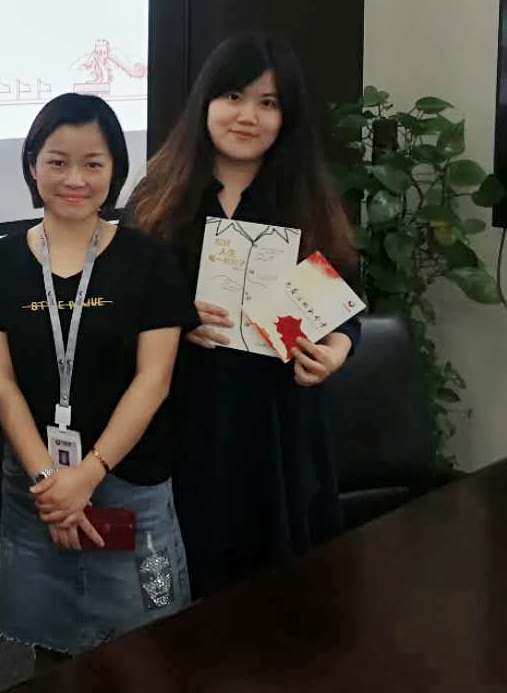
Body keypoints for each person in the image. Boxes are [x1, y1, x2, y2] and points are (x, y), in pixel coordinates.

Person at [124, 32, 363, 598]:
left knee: (280, 593)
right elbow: (125, 303)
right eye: (233, 96)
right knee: (178, 589)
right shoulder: (158, 197)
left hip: (278, 420)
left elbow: (343, 305)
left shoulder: (305, 199)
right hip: (184, 413)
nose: (247, 116)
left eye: (268, 102)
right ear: (205, 102)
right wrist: (176, 317)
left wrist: (335, 351)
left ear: (287, 116)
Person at [0, 93, 194, 665]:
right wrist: (52, 482)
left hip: (128, 481)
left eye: (93, 163)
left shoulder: (151, 261)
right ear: (32, 166)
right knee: (52, 648)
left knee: (147, 649)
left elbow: (154, 380)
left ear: (115, 169)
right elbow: (0, 382)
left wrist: (87, 475)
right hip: (38, 488)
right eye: (57, 161)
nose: (75, 179)